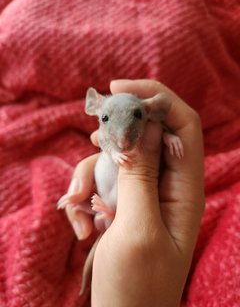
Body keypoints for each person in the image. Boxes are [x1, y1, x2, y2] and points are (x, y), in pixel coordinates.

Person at [63, 79, 204, 306]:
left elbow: (159, 132)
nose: (123, 139)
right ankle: (104, 214)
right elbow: (108, 145)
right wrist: (114, 153)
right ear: (94, 108)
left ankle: (106, 213)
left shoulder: (153, 124)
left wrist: (170, 137)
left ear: (151, 111)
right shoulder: (109, 137)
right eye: (106, 119)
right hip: (108, 203)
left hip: (120, 209)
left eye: (137, 116)